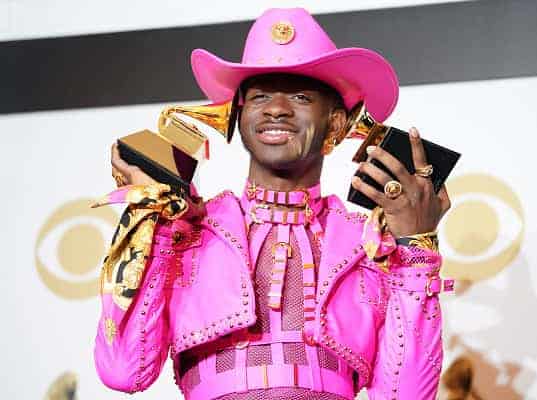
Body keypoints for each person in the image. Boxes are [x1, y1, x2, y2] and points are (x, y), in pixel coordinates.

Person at [94, 8, 453, 400]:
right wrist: (148, 219)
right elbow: (123, 372)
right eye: (261, 96)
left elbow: (404, 396)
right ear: (237, 115)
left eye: (299, 96)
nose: (276, 108)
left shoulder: (368, 248)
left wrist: (417, 245)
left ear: (335, 124)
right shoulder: (188, 234)